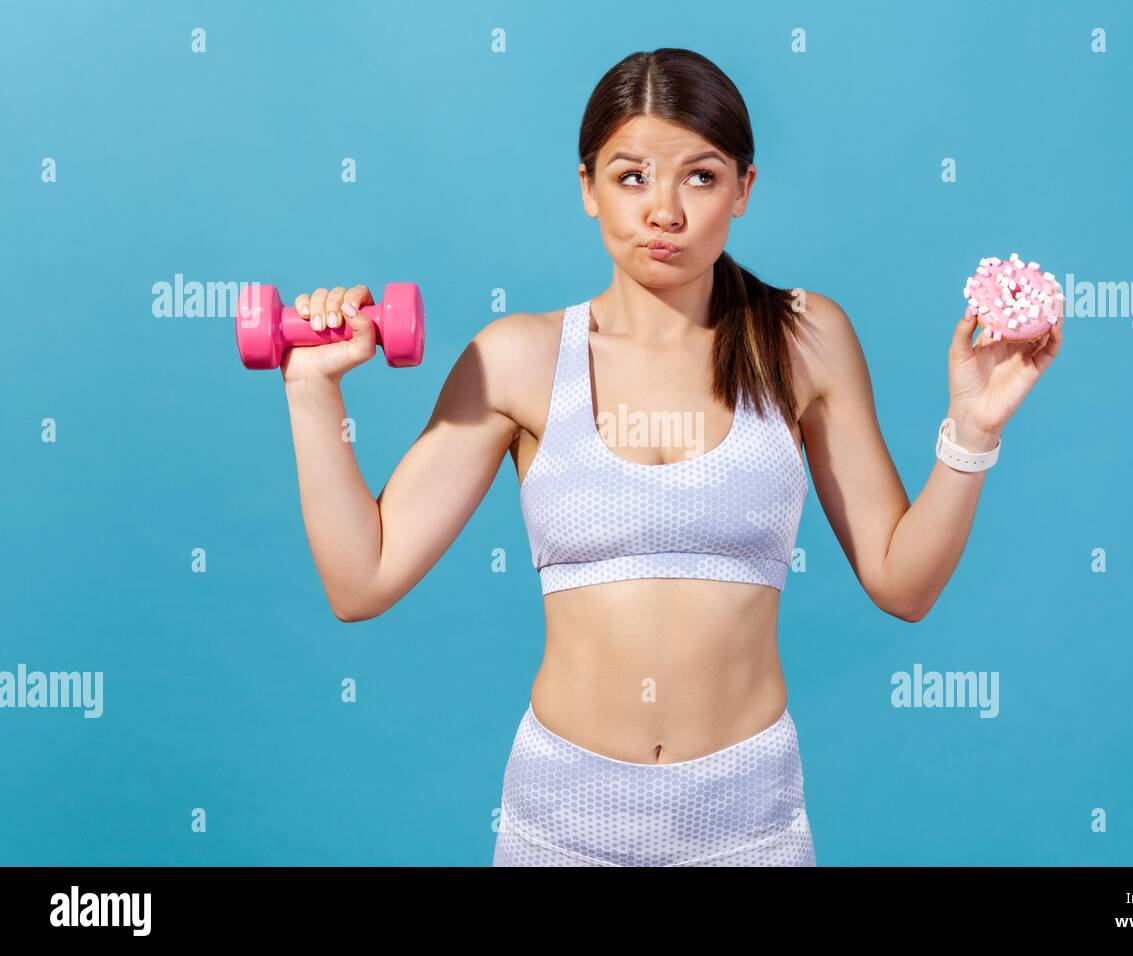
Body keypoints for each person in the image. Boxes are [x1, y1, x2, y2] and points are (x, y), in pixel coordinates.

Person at [277, 48, 1064, 867]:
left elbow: (904, 585)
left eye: (700, 176)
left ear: (743, 189)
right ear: (586, 187)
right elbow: (358, 580)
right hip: (559, 824)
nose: (664, 211)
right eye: (630, 176)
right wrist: (312, 389)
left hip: (749, 826)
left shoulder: (802, 339)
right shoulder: (517, 358)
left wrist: (972, 430)